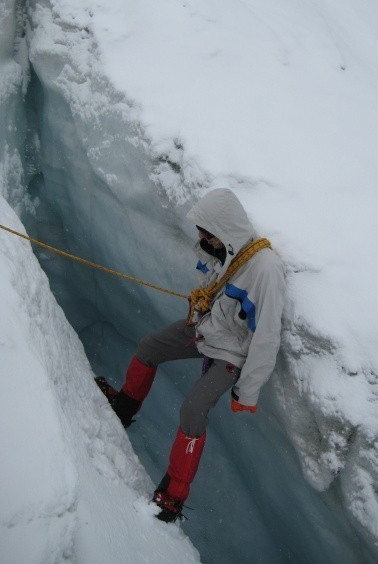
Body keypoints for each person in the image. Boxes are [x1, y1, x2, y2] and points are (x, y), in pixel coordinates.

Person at [96, 188, 285, 522]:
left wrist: (248, 390)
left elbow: (267, 336)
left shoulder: (264, 269)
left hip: (231, 353)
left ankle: (173, 496)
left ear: (223, 230)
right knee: (149, 348)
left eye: (204, 231)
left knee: (193, 409)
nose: (198, 236)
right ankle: (123, 408)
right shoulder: (223, 251)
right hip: (205, 329)